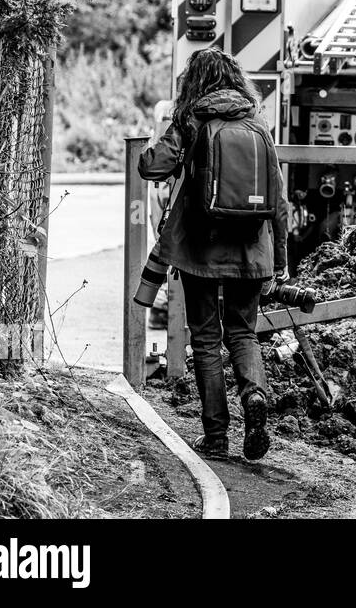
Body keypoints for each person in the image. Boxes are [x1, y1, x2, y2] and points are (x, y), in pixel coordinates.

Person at [139, 47, 287, 460]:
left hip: (201, 249)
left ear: (194, 83)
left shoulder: (190, 119)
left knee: (205, 340)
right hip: (252, 248)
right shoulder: (257, 123)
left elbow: (152, 167)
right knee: (242, 332)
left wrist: (163, 134)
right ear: (236, 81)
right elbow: (280, 200)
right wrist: (280, 261)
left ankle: (217, 436)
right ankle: (254, 395)